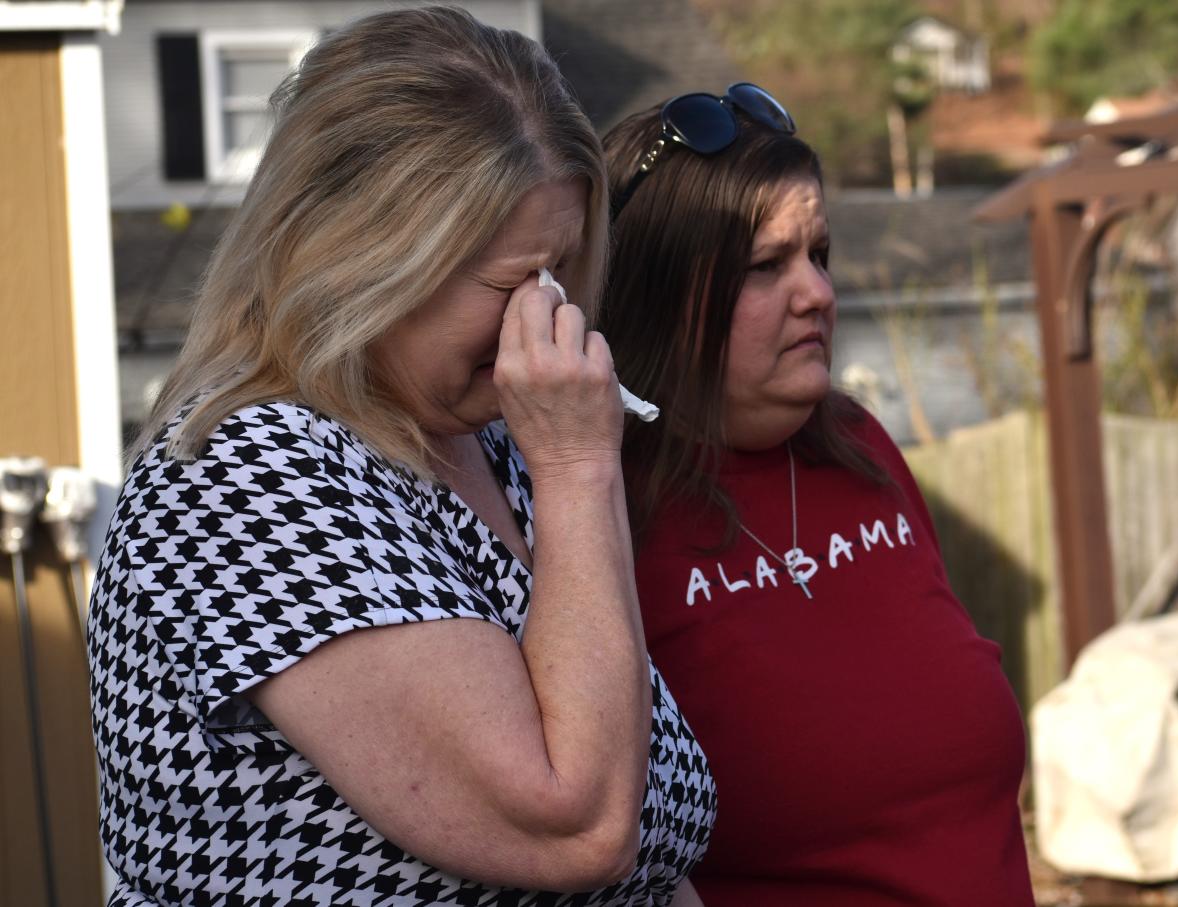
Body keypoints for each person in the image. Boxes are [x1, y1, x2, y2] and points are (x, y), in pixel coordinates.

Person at [88, 9, 715, 905]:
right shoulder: (246, 476)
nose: (547, 322)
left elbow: (654, 848)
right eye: (511, 284)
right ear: (358, 261)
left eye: (563, 273)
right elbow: (572, 822)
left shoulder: (492, 444)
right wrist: (580, 470)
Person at [598, 85, 1035, 906]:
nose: (819, 294)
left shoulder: (860, 447)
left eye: (820, 255)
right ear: (660, 295)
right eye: (767, 266)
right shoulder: (600, 514)